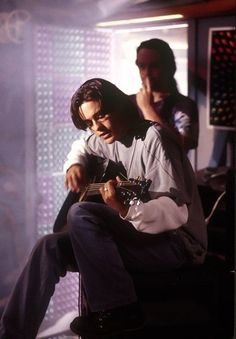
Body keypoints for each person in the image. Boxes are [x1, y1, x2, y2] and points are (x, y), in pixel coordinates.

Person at [0, 78, 207, 339]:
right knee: (49, 247)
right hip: (142, 236)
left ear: (119, 105)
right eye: (89, 123)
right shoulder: (107, 137)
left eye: (101, 116)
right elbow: (82, 145)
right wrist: (74, 164)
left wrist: (126, 210)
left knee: (81, 212)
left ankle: (119, 309)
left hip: (177, 245)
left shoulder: (154, 138)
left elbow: (177, 212)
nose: (96, 128)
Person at [64, 38, 199, 193]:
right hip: (128, 186)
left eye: (154, 66)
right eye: (142, 66)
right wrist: (75, 163)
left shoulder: (183, 105)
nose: (147, 73)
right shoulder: (124, 103)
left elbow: (180, 146)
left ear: (170, 67)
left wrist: (147, 108)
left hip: (166, 186)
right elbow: (89, 139)